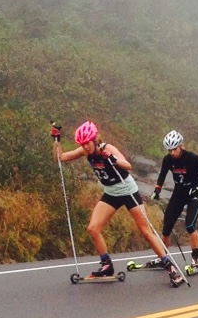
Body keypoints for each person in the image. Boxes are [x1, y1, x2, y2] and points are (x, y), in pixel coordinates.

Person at [53, 120, 184, 287]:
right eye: (82, 144)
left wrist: (111, 158)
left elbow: (127, 166)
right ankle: (107, 265)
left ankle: (170, 267)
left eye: (87, 143)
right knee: (93, 228)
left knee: (145, 231)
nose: (85, 147)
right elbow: (60, 158)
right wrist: (56, 140)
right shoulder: (85, 152)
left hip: (128, 190)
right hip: (111, 193)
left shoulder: (107, 148)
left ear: (94, 139)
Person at [149, 130, 198, 272]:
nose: (172, 152)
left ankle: (196, 259)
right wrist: (157, 189)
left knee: (189, 225)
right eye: (170, 150)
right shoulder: (168, 160)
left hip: (193, 194)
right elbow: (162, 175)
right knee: (166, 227)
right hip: (179, 193)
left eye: (175, 149)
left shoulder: (192, 158)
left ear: (181, 146)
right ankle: (163, 258)